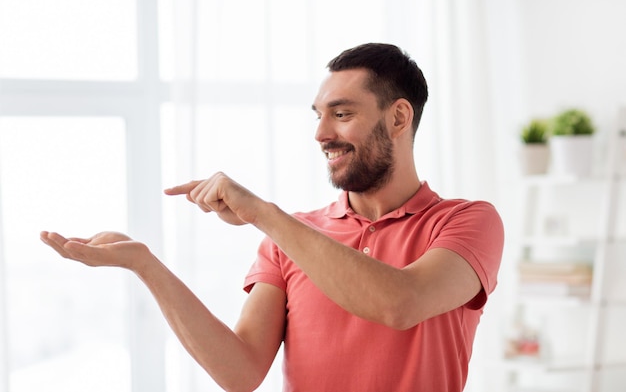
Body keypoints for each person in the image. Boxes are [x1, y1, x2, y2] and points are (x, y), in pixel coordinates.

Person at [40, 43, 504, 392]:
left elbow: (399, 304)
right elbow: (239, 371)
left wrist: (264, 213)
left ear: (399, 118)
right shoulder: (290, 237)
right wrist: (144, 264)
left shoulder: (466, 222)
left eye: (341, 114)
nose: (322, 133)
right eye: (319, 116)